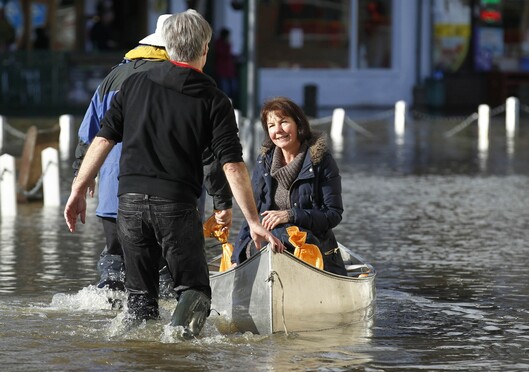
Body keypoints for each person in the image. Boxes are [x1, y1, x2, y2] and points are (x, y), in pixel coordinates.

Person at [64, 9, 284, 337]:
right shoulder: (214, 98)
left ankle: (136, 358)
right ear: (204, 49)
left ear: (167, 46)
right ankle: (179, 352)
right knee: (194, 292)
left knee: (139, 299)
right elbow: (231, 164)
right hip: (175, 207)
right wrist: (252, 221)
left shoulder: (134, 83)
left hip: (129, 205)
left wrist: (78, 189)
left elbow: (103, 138)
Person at [73, 14, 233, 296]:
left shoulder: (113, 78)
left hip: (119, 197)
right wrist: (223, 201)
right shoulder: (182, 84)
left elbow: (92, 136)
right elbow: (210, 154)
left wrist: (80, 181)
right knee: (172, 279)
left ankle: (119, 323)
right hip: (172, 196)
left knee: (120, 275)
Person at [231, 97, 347, 276]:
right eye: (271, 125)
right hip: (265, 244)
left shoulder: (322, 161)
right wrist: (235, 259)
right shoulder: (264, 162)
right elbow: (252, 215)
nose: (277, 130)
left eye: (283, 122)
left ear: (298, 124)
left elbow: (333, 214)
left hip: (310, 249)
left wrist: (290, 215)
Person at [214, 27, 238, 104]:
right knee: (225, 90)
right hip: (222, 70)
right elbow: (223, 54)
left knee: (233, 89)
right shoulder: (220, 43)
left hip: (230, 71)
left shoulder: (228, 44)